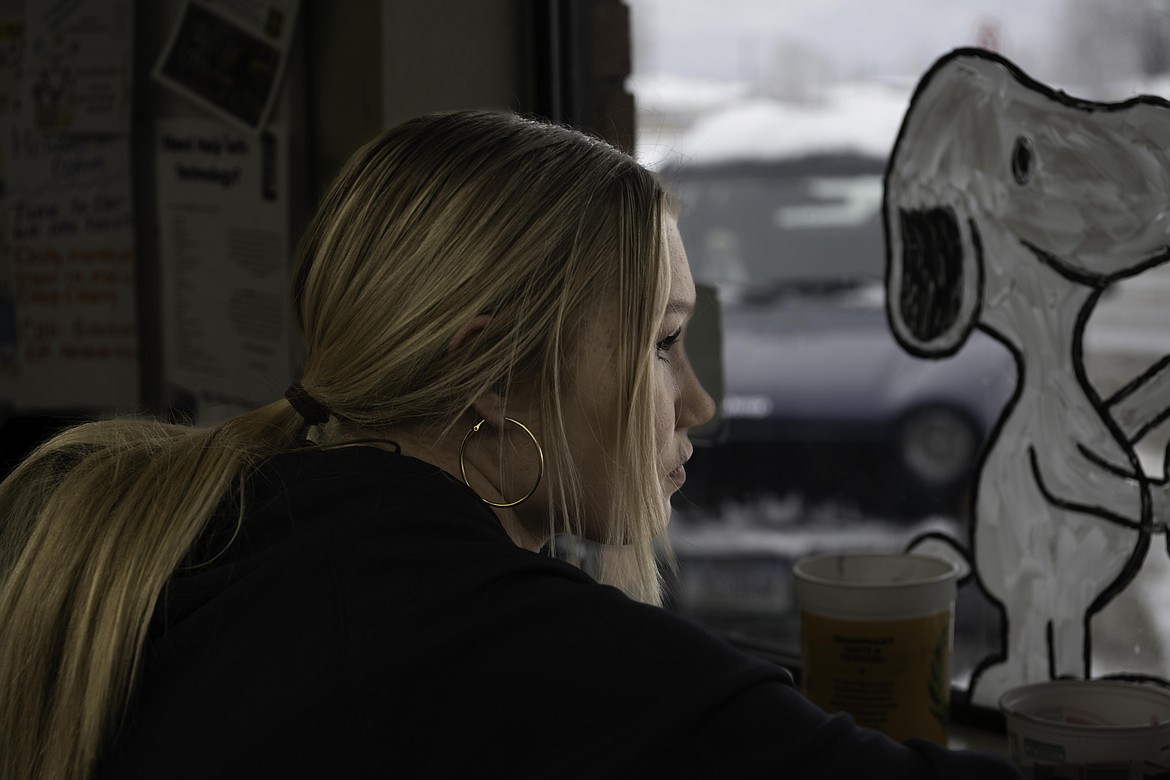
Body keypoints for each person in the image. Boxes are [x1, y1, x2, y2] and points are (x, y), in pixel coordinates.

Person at [0, 110, 1021, 779]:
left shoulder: (256, 528)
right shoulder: (489, 640)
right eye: (664, 345)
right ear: (494, 377)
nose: (698, 402)